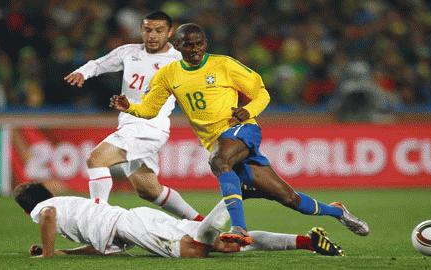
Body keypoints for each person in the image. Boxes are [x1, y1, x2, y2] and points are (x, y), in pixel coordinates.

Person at [109, 23, 370, 245]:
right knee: (289, 198)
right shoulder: (168, 74)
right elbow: (151, 108)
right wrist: (130, 107)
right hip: (217, 141)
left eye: (200, 44)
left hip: (242, 129)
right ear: (176, 46)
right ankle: (336, 212)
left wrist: (248, 110)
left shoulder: (223, 64)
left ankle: (239, 229)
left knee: (219, 162)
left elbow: (262, 92)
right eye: (189, 45)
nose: (196, 49)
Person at [63, 12, 203, 221]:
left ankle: (96, 220)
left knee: (96, 159)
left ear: (170, 32)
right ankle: (201, 223)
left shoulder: (178, 61)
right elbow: (99, 64)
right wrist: (83, 72)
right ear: (141, 30)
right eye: (148, 30)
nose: (152, 35)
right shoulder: (129, 52)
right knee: (149, 190)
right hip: (129, 126)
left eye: (159, 30)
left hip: (149, 128)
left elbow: (195, 96)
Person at [14, 182, 344, 258]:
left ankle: (237, 195)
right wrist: (62, 254)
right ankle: (306, 241)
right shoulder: (68, 206)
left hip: (132, 225)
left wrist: (46, 253)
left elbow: (48, 216)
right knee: (223, 245)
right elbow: (99, 248)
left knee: (198, 250)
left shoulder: (45, 208)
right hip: (133, 224)